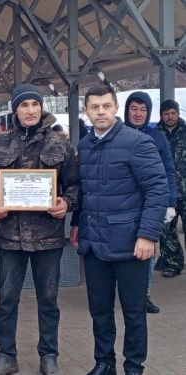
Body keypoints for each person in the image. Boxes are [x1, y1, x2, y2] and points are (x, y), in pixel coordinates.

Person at [0, 83, 79, 375]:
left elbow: (75, 185)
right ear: (16, 109)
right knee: (7, 298)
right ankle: (6, 356)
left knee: (49, 299)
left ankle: (48, 355)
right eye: (24, 105)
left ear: (41, 108)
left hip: (48, 236)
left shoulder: (60, 144)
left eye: (34, 105)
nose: (30, 110)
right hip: (11, 237)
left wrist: (66, 203)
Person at [74, 85, 168, 375]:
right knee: (100, 311)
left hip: (130, 244)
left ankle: (133, 366)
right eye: (94, 107)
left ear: (115, 108)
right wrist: (77, 222)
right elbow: (84, 191)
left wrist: (148, 235)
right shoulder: (85, 146)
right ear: (86, 112)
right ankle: (104, 362)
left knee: (134, 312)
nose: (100, 112)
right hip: (94, 245)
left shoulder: (137, 142)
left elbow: (157, 189)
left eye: (105, 106)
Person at [123, 92, 177, 314]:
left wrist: (170, 203)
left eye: (143, 109)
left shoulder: (157, 137)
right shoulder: (118, 134)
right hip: (124, 203)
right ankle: (125, 291)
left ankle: (142, 294)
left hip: (150, 204)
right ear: (127, 110)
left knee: (147, 250)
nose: (138, 113)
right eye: (134, 108)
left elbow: (168, 170)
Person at [156, 99, 186, 278]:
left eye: (172, 113)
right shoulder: (155, 134)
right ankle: (173, 263)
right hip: (167, 191)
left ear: (178, 113)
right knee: (167, 230)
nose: (170, 116)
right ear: (161, 115)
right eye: (166, 113)